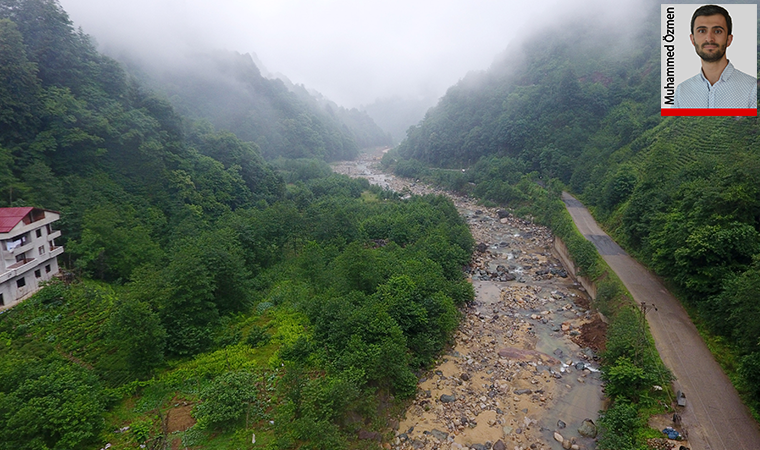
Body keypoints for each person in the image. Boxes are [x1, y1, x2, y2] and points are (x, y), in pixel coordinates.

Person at [673, 4, 757, 108]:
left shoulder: (752, 89)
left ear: (729, 40)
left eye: (717, 31)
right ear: (692, 39)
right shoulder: (682, 91)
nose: (709, 38)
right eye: (702, 31)